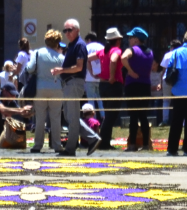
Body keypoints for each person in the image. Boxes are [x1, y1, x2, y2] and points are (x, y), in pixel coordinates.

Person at [55, 18, 98, 155]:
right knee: (69, 116)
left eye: (70, 30)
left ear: (77, 30)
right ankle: (92, 138)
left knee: (72, 117)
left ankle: (70, 148)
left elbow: (79, 67)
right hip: (69, 83)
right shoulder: (72, 45)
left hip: (74, 82)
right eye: (65, 30)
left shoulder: (79, 45)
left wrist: (62, 70)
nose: (67, 33)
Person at [28, 29, 65, 153]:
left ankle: (38, 145)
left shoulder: (37, 53)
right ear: (58, 43)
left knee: (40, 118)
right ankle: (56, 145)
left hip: (40, 87)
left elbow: (30, 68)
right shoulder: (61, 57)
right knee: (55, 117)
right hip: (57, 88)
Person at [121, 27, 154, 150]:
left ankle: (132, 144)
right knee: (143, 115)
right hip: (145, 85)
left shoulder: (132, 50)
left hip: (133, 85)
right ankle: (146, 144)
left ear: (136, 39)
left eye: (130, 37)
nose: (129, 40)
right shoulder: (150, 52)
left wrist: (130, 71)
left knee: (133, 115)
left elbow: (123, 57)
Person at [98, 28, 124, 149]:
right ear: (117, 40)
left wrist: (94, 73)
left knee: (108, 114)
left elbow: (88, 58)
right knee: (111, 115)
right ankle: (103, 142)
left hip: (103, 85)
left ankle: (105, 141)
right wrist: (112, 76)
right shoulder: (116, 50)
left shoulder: (103, 51)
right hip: (113, 85)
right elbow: (113, 60)